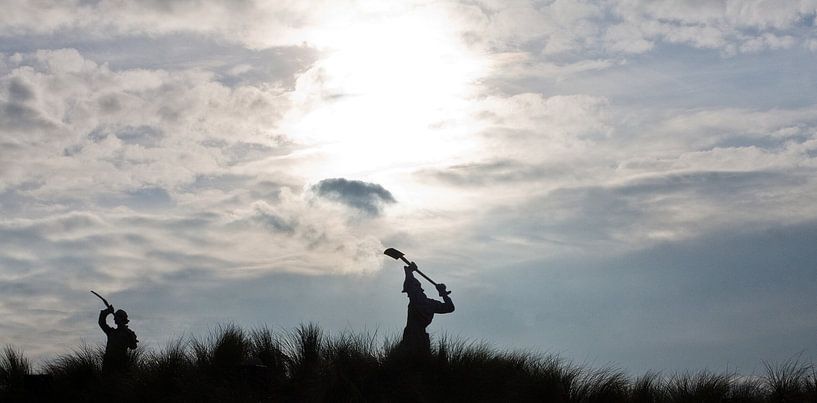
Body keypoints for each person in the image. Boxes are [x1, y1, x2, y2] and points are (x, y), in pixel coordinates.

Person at [399, 262, 454, 357]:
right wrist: (443, 293)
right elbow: (449, 307)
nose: (408, 294)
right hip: (421, 337)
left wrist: (409, 271)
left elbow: (411, 286)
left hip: (411, 336)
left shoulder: (416, 300)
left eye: (408, 292)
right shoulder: (431, 304)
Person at [98, 306, 138, 374]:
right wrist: (107, 312)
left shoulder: (128, 333)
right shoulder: (111, 332)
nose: (114, 319)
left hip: (121, 362)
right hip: (108, 361)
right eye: (115, 317)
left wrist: (129, 335)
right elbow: (101, 323)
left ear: (122, 319)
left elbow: (133, 346)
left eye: (117, 317)